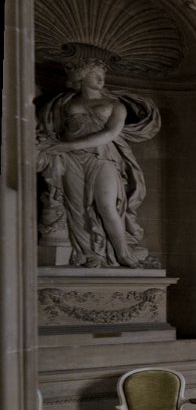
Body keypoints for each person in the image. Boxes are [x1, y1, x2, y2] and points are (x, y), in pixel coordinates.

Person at [36, 54, 161, 269]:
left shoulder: (115, 105)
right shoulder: (65, 102)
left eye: (102, 75)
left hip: (102, 156)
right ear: (81, 77)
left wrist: (68, 146)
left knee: (107, 205)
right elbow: (54, 128)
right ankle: (90, 255)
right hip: (70, 159)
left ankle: (123, 252)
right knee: (77, 208)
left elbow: (110, 134)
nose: (100, 79)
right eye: (95, 75)